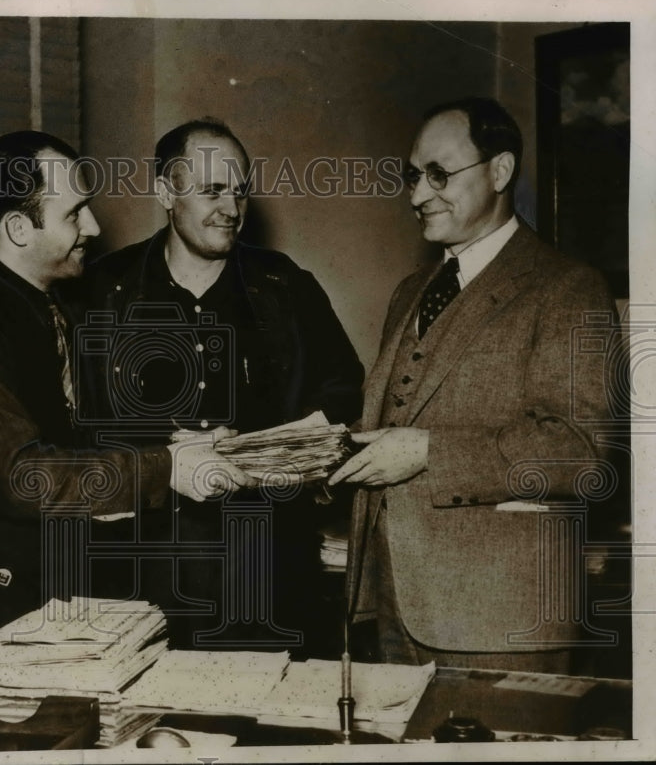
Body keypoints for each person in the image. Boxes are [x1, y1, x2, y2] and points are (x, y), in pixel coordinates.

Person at [0, 130, 256, 689]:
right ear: (20, 228)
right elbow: (24, 476)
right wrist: (169, 468)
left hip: (73, 600)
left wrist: (182, 445)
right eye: (75, 214)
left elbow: (83, 438)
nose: (94, 228)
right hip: (5, 613)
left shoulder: (61, 311)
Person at [331, 97, 616, 673]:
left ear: (501, 171)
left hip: (501, 618)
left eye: (439, 174)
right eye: (414, 176)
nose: (416, 195)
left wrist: (427, 452)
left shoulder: (567, 287)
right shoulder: (412, 289)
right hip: (390, 606)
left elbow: (581, 453)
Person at [84, 119, 364, 655]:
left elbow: (343, 388)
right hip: (148, 566)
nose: (231, 209)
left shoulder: (284, 284)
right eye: (212, 190)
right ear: (165, 191)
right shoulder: (104, 289)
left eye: (238, 191)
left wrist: (267, 449)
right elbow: (80, 421)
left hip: (268, 560)